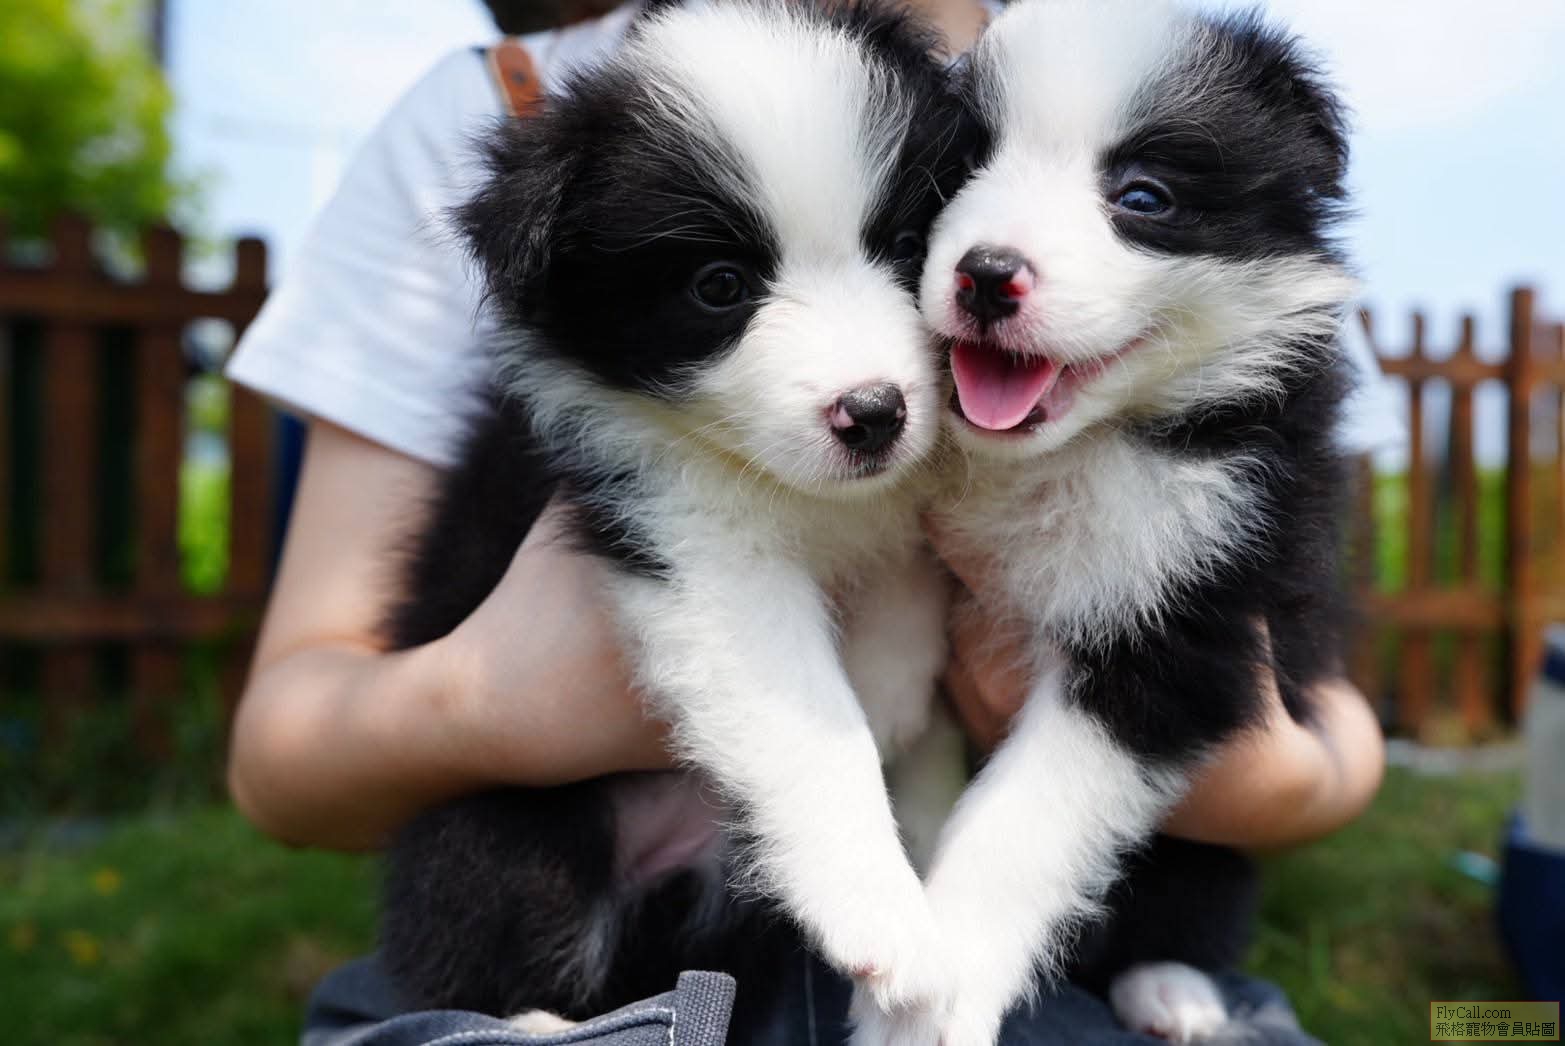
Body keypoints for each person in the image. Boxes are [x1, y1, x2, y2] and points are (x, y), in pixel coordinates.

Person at [224, 0, 1390, 1042]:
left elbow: (1315, 724)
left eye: (895, 243)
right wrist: (487, 698)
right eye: (724, 289)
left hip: (1008, 935)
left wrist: (1233, 760)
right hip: (605, 893)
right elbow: (281, 759)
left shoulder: (1040, 94)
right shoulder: (514, 120)